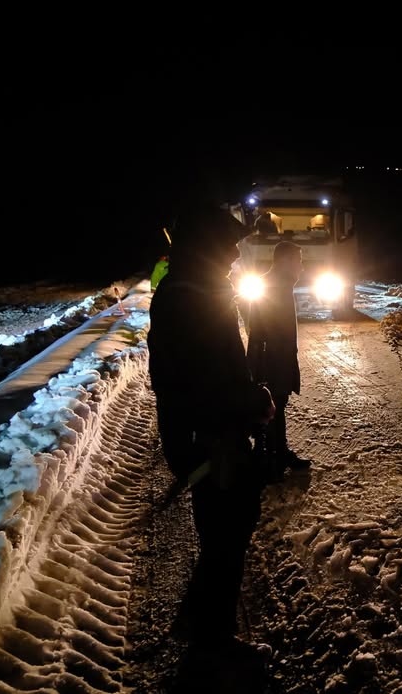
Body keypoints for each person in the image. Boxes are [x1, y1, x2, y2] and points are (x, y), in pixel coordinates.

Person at [147, 205, 276, 660]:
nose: (235, 256)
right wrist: (254, 401)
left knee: (225, 532)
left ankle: (203, 626)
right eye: (227, 247)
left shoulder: (187, 290)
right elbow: (208, 377)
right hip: (211, 440)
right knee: (226, 535)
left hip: (205, 434)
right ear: (205, 248)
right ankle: (213, 642)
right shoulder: (192, 297)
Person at [246, 240, 312, 481]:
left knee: (277, 407)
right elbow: (260, 331)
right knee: (272, 407)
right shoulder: (274, 286)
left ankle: (276, 455)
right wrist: (262, 366)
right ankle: (270, 460)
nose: (301, 267)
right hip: (272, 360)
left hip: (276, 358)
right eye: (298, 261)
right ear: (285, 261)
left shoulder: (279, 284)